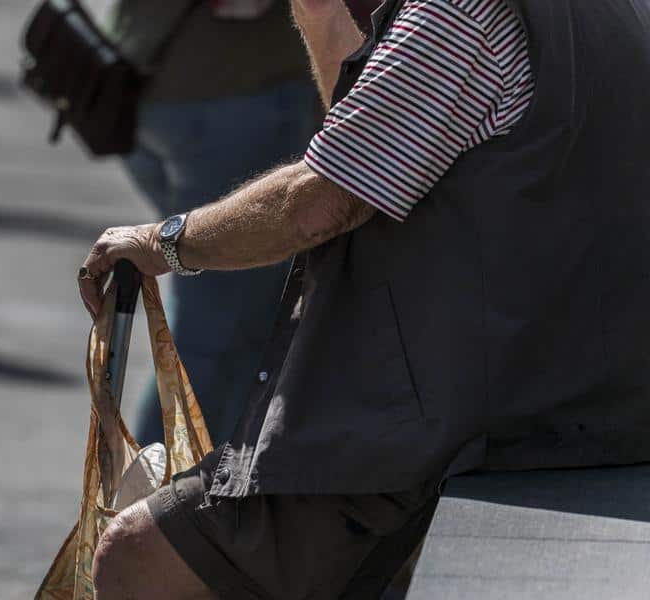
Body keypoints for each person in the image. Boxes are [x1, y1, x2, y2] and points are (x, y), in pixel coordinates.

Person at [77, 0, 650, 598]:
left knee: (138, 554)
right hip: (571, 394)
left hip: (472, 418)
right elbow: (370, 163)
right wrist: (324, 19)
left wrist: (164, 242)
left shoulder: (461, 15)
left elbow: (320, 202)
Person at [105, 1, 316, 444]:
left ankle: (189, 500)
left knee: (235, 330)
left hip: (160, 78)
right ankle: (148, 507)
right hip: (232, 93)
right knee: (222, 337)